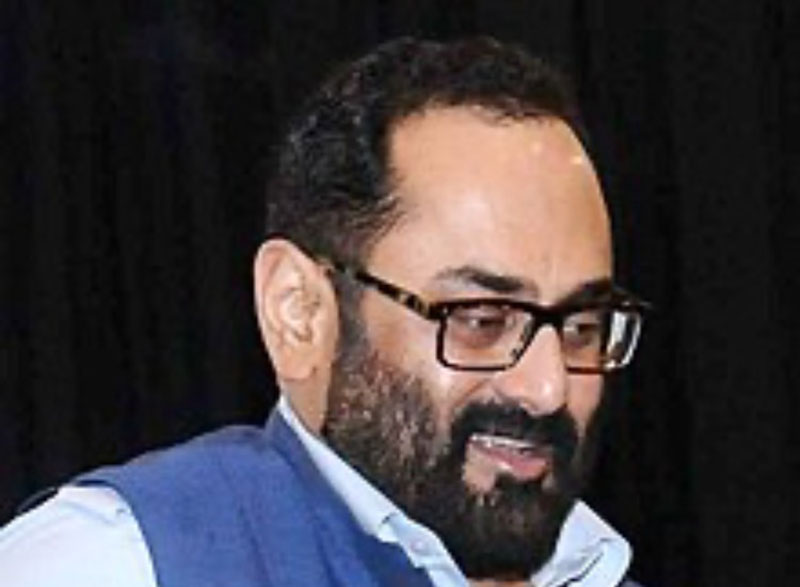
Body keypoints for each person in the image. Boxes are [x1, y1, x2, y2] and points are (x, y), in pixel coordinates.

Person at [0, 37, 648, 586]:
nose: (548, 387)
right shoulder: (117, 563)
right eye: (481, 320)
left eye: (580, 327)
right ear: (299, 312)